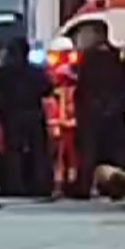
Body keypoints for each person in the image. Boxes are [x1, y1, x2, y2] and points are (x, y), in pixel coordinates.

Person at [70, 24, 125, 199]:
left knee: (89, 151)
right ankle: (115, 188)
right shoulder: (120, 56)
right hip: (115, 112)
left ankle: (84, 187)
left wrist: (81, 111)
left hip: (93, 112)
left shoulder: (89, 58)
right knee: (114, 153)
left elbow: (82, 86)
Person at [0, 37, 55, 197]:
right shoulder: (35, 72)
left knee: (13, 152)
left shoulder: (2, 74)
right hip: (32, 115)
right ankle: (39, 185)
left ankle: (14, 185)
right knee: (38, 152)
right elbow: (47, 88)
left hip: (12, 116)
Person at [44, 37, 80, 197]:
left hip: (63, 122)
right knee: (68, 157)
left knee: (63, 157)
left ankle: (62, 185)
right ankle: (68, 183)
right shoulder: (75, 73)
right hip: (68, 121)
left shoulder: (57, 75)